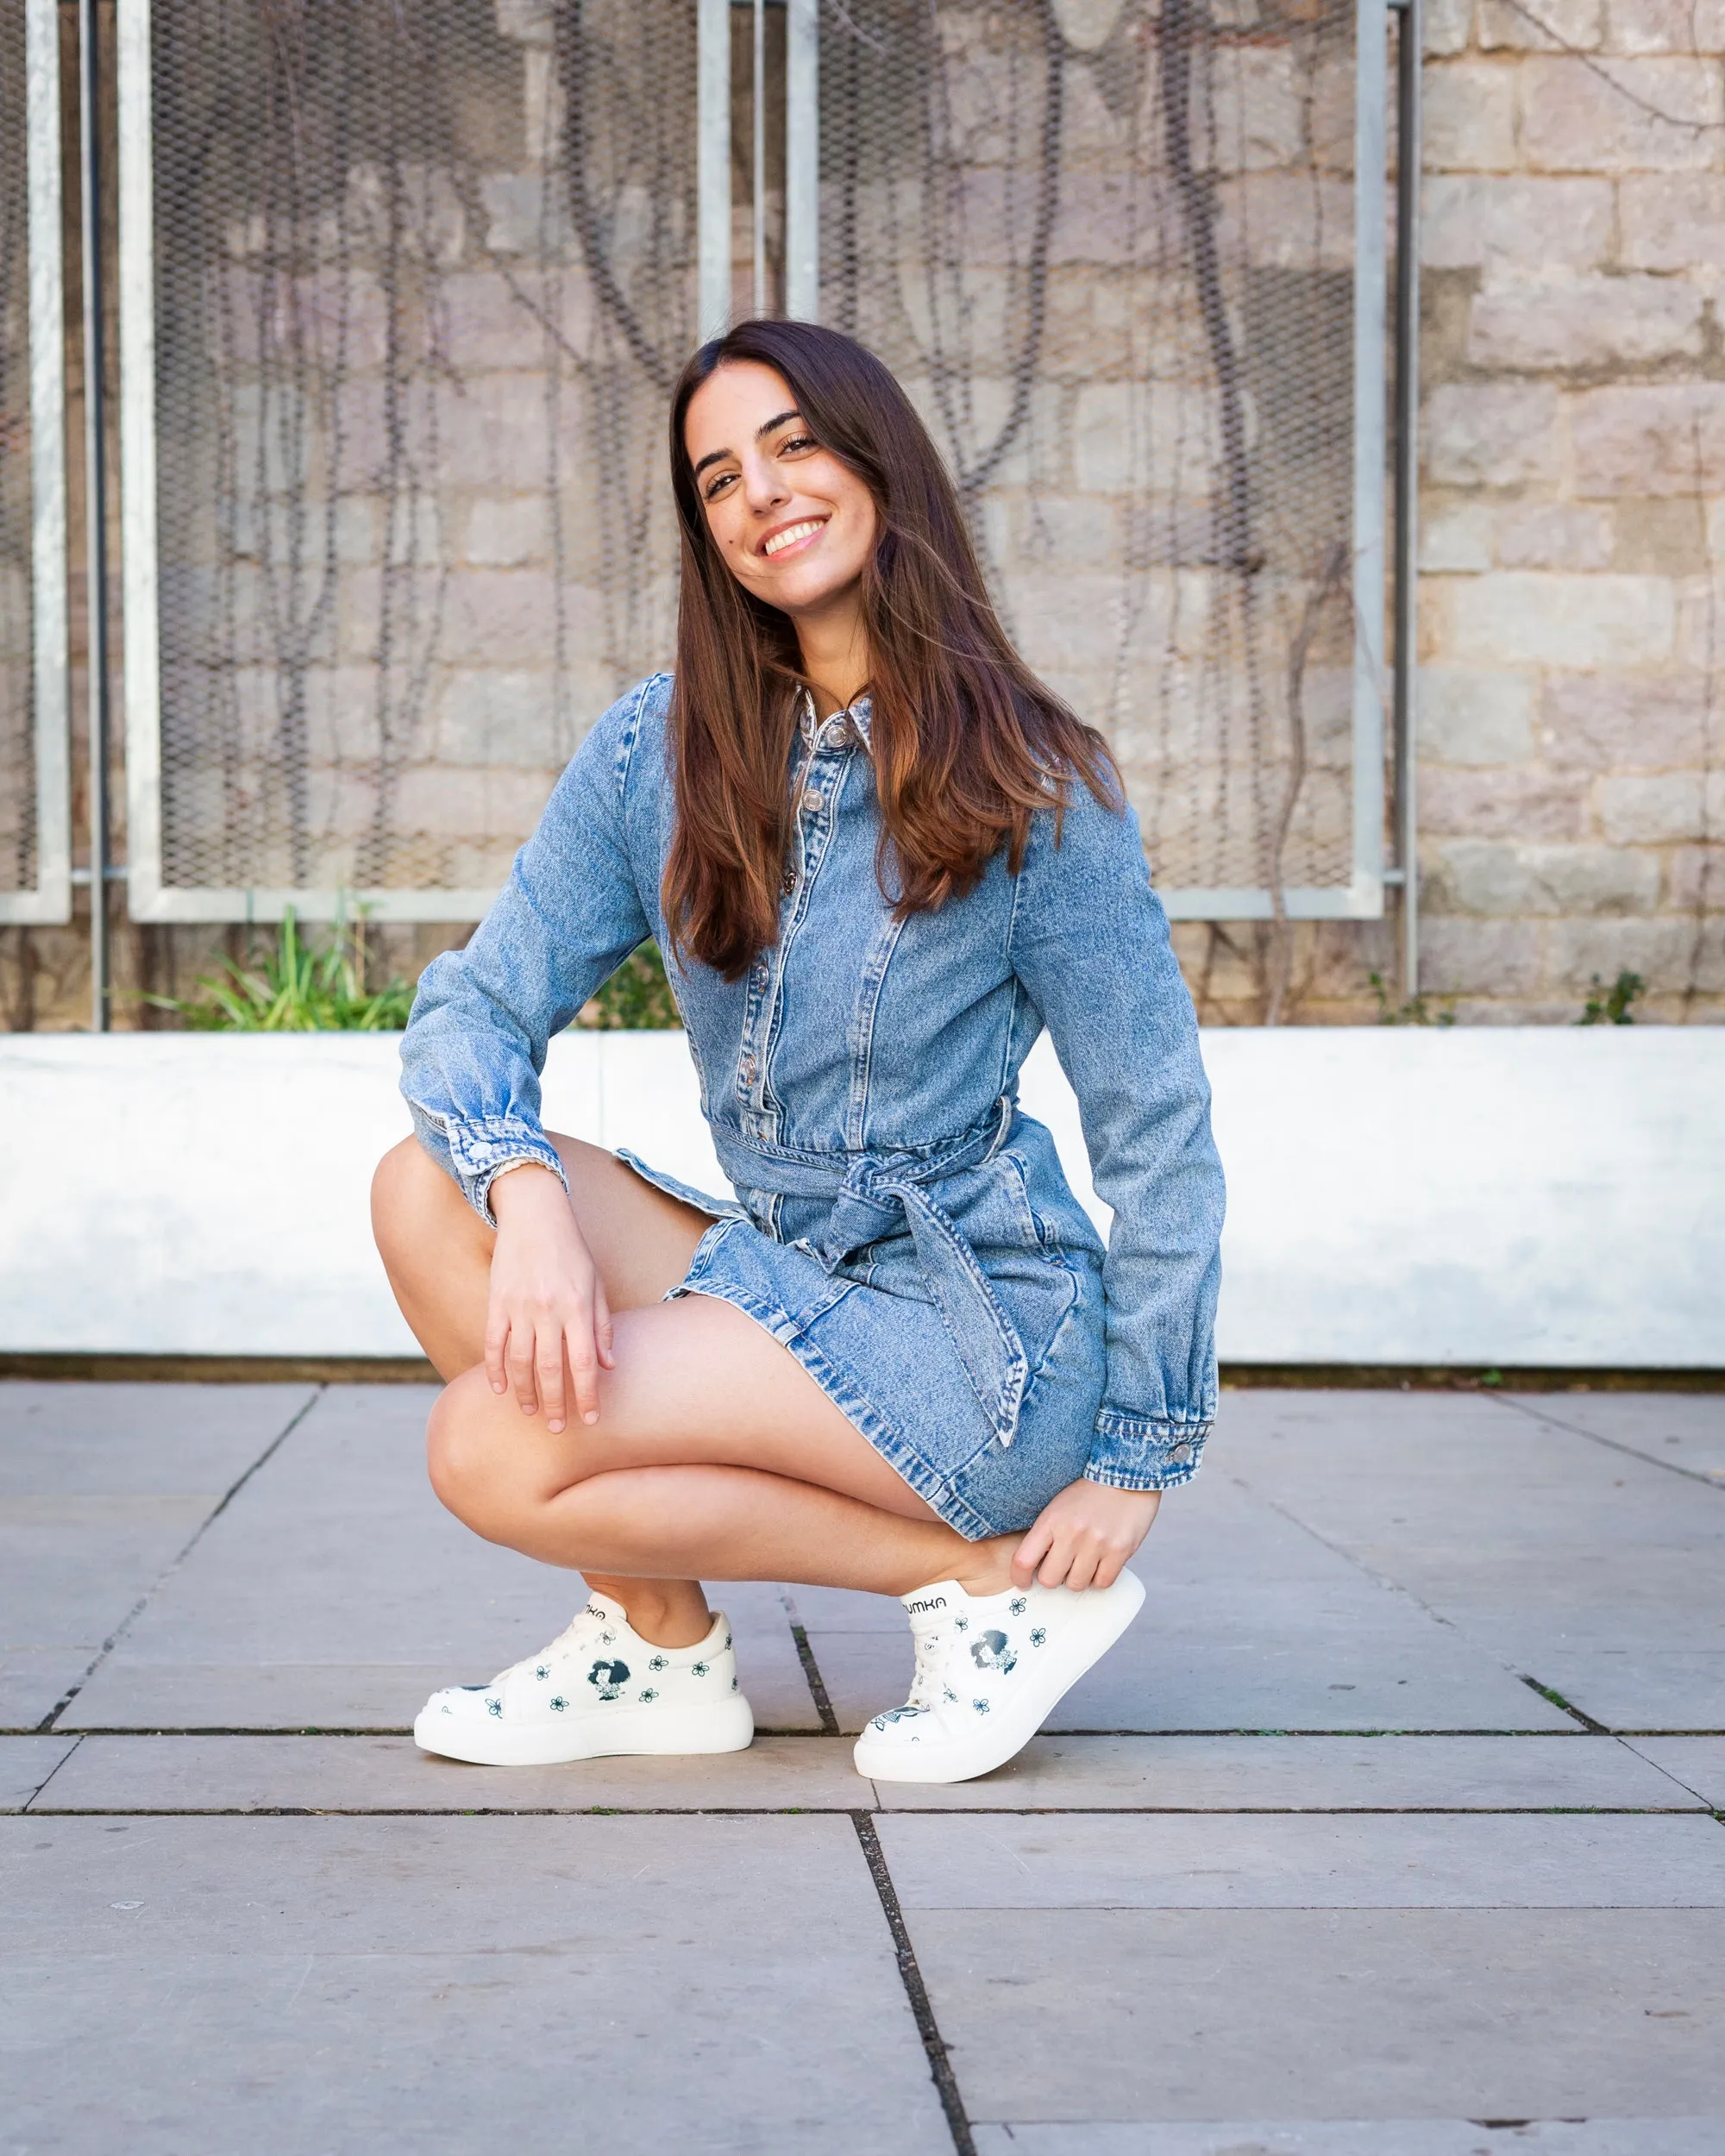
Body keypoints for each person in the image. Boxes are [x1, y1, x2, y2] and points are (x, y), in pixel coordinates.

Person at [371, 318, 1224, 1787]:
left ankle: (981, 1584)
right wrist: (525, 1202)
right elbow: (473, 1007)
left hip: (979, 1331)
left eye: (794, 445)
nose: (760, 493)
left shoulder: (1029, 781)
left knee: (491, 1450)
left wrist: (1137, 1459)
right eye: (717, 478)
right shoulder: (659, 754)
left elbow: (1159, 1129)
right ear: (709, 534)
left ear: (875, 457)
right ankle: (658, 1648)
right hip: (798, 1270)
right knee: (421, 1189)